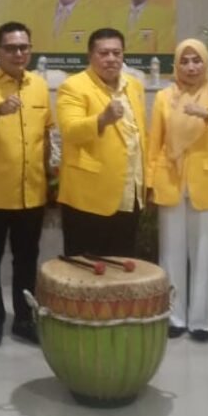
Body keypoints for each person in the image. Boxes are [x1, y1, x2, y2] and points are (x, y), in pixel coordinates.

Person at [147, 37, 208, 342]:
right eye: (184, 61)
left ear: (206, 62)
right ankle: (174, 317)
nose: (191, 67)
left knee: (204, 254)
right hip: (171, 180)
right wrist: (149, 183)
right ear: (177, 65)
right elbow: (154, 143)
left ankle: (201, 322)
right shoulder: (164, 97)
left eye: (196, 60)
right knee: (170, 253)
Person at [0, 21, 52, 347]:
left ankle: (24, 319)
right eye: (11, 48)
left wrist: (50, 178)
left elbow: (45, 135)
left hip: (32, 193)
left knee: (26, 262)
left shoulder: (39, 86)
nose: (18, 53)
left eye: (24, 47)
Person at [57, 28, 146, 257]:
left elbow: (138, 138)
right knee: (85, 271)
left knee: (121, 267)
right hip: (88, 197)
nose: (111, 59)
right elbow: (70, 131)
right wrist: (102, 120)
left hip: (129, 195)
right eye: (104, 53)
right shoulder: (74, 86)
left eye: (117, 53)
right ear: (90, 56)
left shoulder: (134, 86)